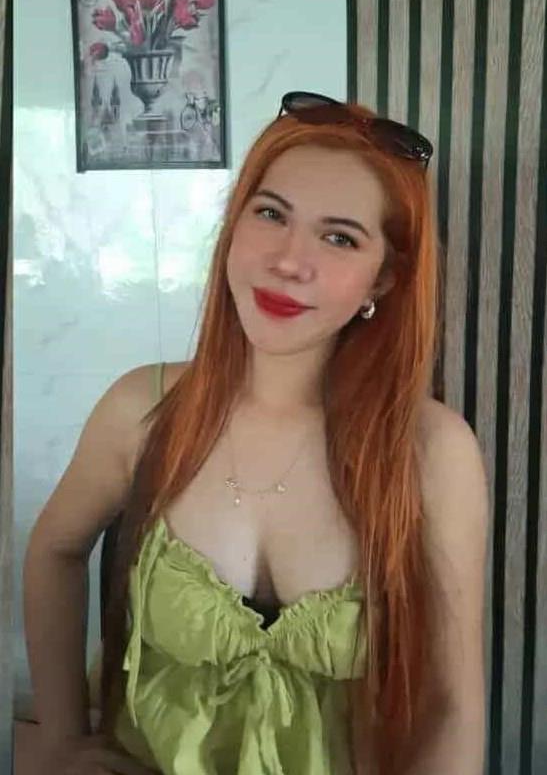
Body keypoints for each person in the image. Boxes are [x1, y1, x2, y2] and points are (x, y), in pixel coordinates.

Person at [24, 92, 488, 775]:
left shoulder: (430, 452)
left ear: (383, 280)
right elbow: (54, 549)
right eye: (271, 214)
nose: (288, 261)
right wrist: (62, 738)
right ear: (234, 225)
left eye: (339, 238)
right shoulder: (141, 410)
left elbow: (453, 707)